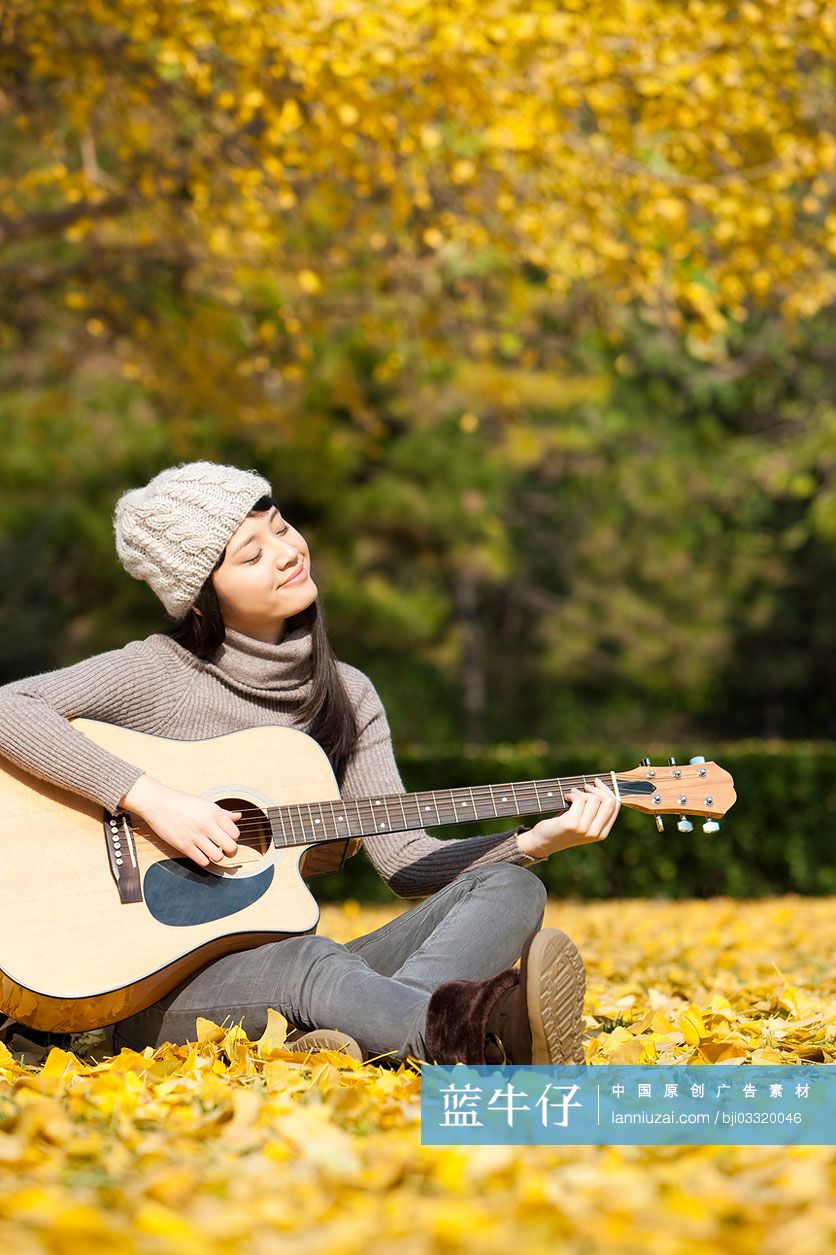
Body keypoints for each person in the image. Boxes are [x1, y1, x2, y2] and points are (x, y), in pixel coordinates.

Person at [0, 461, 620, 1066]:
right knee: (310, 961)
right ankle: (465, 1030)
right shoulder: (158, 672)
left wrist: (533, 842)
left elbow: (403, 862)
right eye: (250, 554)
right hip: (153, 992)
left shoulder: (348, 695)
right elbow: (9, 708)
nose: (286, 551)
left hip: (296, 982)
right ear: (200, 600)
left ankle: (378, 1030)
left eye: (280, 525)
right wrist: (153, 800)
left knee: (511, 887)